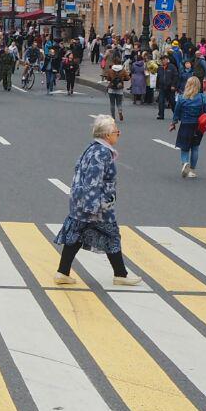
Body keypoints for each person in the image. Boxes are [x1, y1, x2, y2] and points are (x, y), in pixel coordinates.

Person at [54, 116, 142, 285]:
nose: (119, 134)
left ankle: (62, 272)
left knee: (76, 235)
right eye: (117, 132)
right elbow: (93, 180)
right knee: (112, 235)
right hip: (96, 204)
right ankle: (120, 275)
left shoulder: (94, 148)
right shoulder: (101, 153)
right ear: (107, 135)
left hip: (84, 203)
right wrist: (93, 207)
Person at [170, 75, 206, 179]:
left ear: (187, 85)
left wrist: (173, 123)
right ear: (198, 85)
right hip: (198, 126)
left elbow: (177, 112)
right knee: (195, 148)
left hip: (185, 125)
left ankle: (185, 163)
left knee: (184, 148)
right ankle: (192, 170)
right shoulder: (202, 97)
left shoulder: (181, 98)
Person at [156, 55, 180, 120]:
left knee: (172, 102)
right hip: (162, 87)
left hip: (170, 88)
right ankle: (161, 115)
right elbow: (158, 77)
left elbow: (175, 77)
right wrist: (157, 86)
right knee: (161, 101)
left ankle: (176, 115)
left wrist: (173, 85)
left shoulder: (172, 67)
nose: (163, 61)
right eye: (162, 60)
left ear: (167, 59)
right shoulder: (160, 68)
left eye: (164, 59)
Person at [105, 56, 127, 121]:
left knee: (112, 103)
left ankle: (113, 117)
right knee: (119, 103)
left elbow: (108, 78)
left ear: (114, 62)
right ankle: (120, 112)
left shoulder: (111, 70)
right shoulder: (123, 70)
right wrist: (122, 79)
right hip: (119, 88)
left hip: (111, 88)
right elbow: (128, 78)